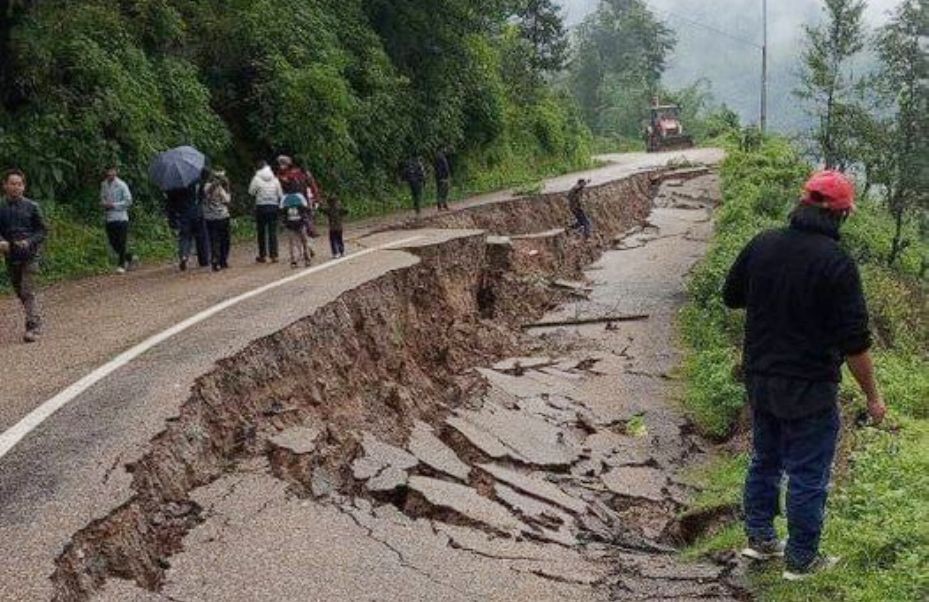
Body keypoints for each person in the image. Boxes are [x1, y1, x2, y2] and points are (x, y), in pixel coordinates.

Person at [723, 171, 886, 581]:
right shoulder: (837, 262)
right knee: (808, 473)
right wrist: (873, 396)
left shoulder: (763, 243)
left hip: (761, 377)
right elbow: (855, 344)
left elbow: (731, 295)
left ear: (801, 204)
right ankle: (801, 560)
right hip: (810, 385)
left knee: (765, 459)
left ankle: (760, 539)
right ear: (841, 214)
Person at [0, 169, 47, 343]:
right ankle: (35, 316)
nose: (16, 187)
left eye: (19, 184)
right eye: (12, 184)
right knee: (20, 291)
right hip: (11, 255)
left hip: (30, 255)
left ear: (24, 187)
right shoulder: (0, 207)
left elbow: (42, 230)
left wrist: (29, 241)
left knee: (27, 290)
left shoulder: (32, 206)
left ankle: (33, 326)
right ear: (5, 185)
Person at [100, 166, 134, 273]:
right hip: (109, 218)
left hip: (121, 218)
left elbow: (128, 201)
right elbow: (102, 197)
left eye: (112, 171)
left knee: (122, 241)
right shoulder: (104, 184)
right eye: (108, 171)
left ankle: (121, 264)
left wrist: (114, 205)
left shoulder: (121, 185)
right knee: (113, 242)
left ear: (116, 172)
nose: (110, 173)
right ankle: (128, 256)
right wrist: (104, 204)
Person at [249, 161, 283, 263]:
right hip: (273, 206)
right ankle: (274, 255)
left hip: (261, 207)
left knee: (261, 231)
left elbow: (251, 192)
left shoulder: (256, 178)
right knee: (272, 231)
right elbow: (280, 194)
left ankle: (262, 255)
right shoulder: (274, 179)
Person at [164, 182, 200, 272]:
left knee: (183, 236)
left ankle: (183, 256)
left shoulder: (173, 187)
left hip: (181, 214)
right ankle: (188, 254)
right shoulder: (191, 184)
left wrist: (171, 217)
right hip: (193, 213)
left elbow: (170, 203)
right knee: (191, 236)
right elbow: (196, 197)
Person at [203, 170, 232, 271]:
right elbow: (227, 200)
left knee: (214, 240)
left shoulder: (205, 188)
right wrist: (227, 187)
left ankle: (215, 258)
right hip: (222, 216)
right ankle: (223, 260)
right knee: (225, 240)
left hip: (209, 217)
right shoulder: (219, 188)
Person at [280, 190, 311, 268]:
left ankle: (294, 261)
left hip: (290, 225)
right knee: (304, 241)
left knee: (292, 243)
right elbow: (306, 208)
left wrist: (284, 222)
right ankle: (307, 259)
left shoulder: (284, 198)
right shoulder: (300, 196)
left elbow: (281, 210)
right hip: (300, 223)